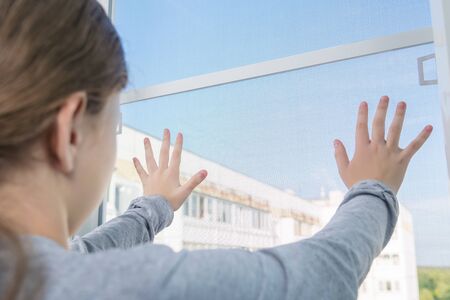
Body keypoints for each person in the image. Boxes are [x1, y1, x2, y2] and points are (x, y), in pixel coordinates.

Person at [0, 0, 433, 299]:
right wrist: (373, 189)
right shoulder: (124, 287)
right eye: (113, 123)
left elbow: (82, 255)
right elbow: (321, 278)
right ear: (70, 132)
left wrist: (152, 207)